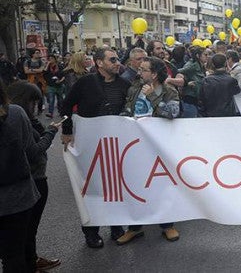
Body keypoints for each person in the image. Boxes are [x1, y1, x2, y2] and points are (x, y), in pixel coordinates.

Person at [60, 48, 131, 248]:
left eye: (117, 59)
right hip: (90, 145)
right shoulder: (85, 83)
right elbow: (65, 106)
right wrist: (67, 131)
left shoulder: (125, 84)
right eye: (113, 59)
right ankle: (91, 231)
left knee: (115, 188)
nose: (118, 63)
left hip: (116, 146)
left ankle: (116, 226)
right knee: (92, 188)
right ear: (99, 63)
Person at [116, 56, 181, 245]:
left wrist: (152, 96)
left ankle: (167, 225)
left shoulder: (168, 90)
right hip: (135, 144)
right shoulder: (135, 87)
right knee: (136, 185)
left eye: (144, 70)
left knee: (161, 185)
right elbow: (128, 109)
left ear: (153, 74)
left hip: (158, 145)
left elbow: (172, 113)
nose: (139, 72)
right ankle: (134, 228)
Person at [0, 81, 62, 272]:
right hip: (17, 194)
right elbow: (33, 152)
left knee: (11, 251)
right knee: (16, 252)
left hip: (15, 193)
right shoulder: (15, 114)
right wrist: (51, 132)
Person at [169, 47, 207, 118]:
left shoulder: (201, 66)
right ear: (198, 56)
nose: (207, 57)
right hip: (190, 98)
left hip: (196, 97)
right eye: (205, 55)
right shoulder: (192, 65)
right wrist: (187, 83)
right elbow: (178, 71)